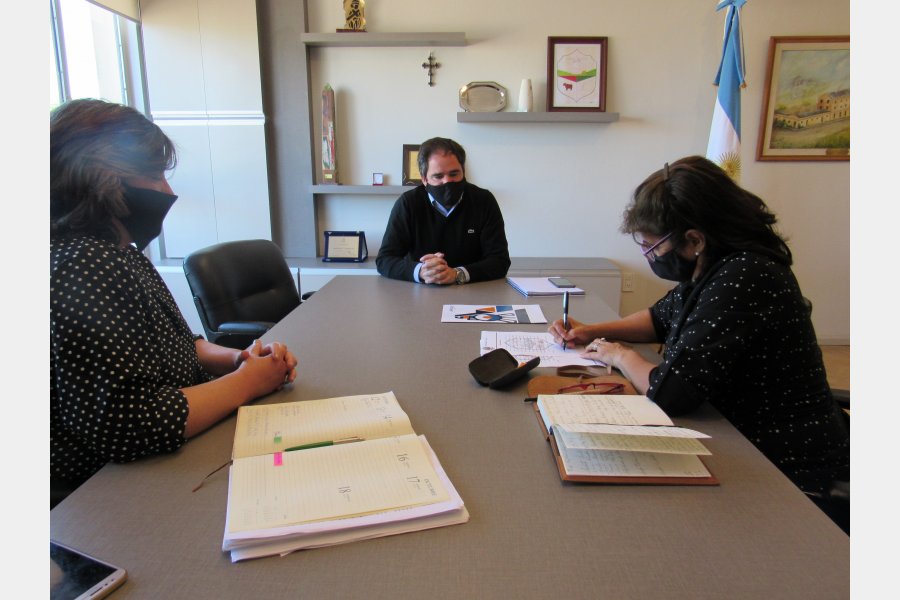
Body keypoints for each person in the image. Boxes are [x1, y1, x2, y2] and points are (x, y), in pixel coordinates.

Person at [548, 156, 849, 529]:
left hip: (778, 464)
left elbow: (672, 392)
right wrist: (592, 330)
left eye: (652, 248)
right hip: (735, 431)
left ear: (693, 240)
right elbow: (660, 318)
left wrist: (619, 354)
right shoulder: (715, 264)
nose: (651, 256)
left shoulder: (745, 276)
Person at [50, 99, 298, 506]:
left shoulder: (119, 253)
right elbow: (131, 424)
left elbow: (183, 346)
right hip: (105, 496)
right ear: (102, 180)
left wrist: (238, 360)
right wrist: (248, 382)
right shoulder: (82, 266)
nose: (168, 191)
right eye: (154, 175)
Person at [376, 137, 511, 285]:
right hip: (420, 293)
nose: (447, 181)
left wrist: (456, 274)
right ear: (424, 179)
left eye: (454, 174)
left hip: (473, 291)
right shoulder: (408, 203)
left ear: (463, 172)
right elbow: (385, 260)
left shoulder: (484, 200)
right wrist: (421, 271)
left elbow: (500, 261)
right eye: (438, 176)